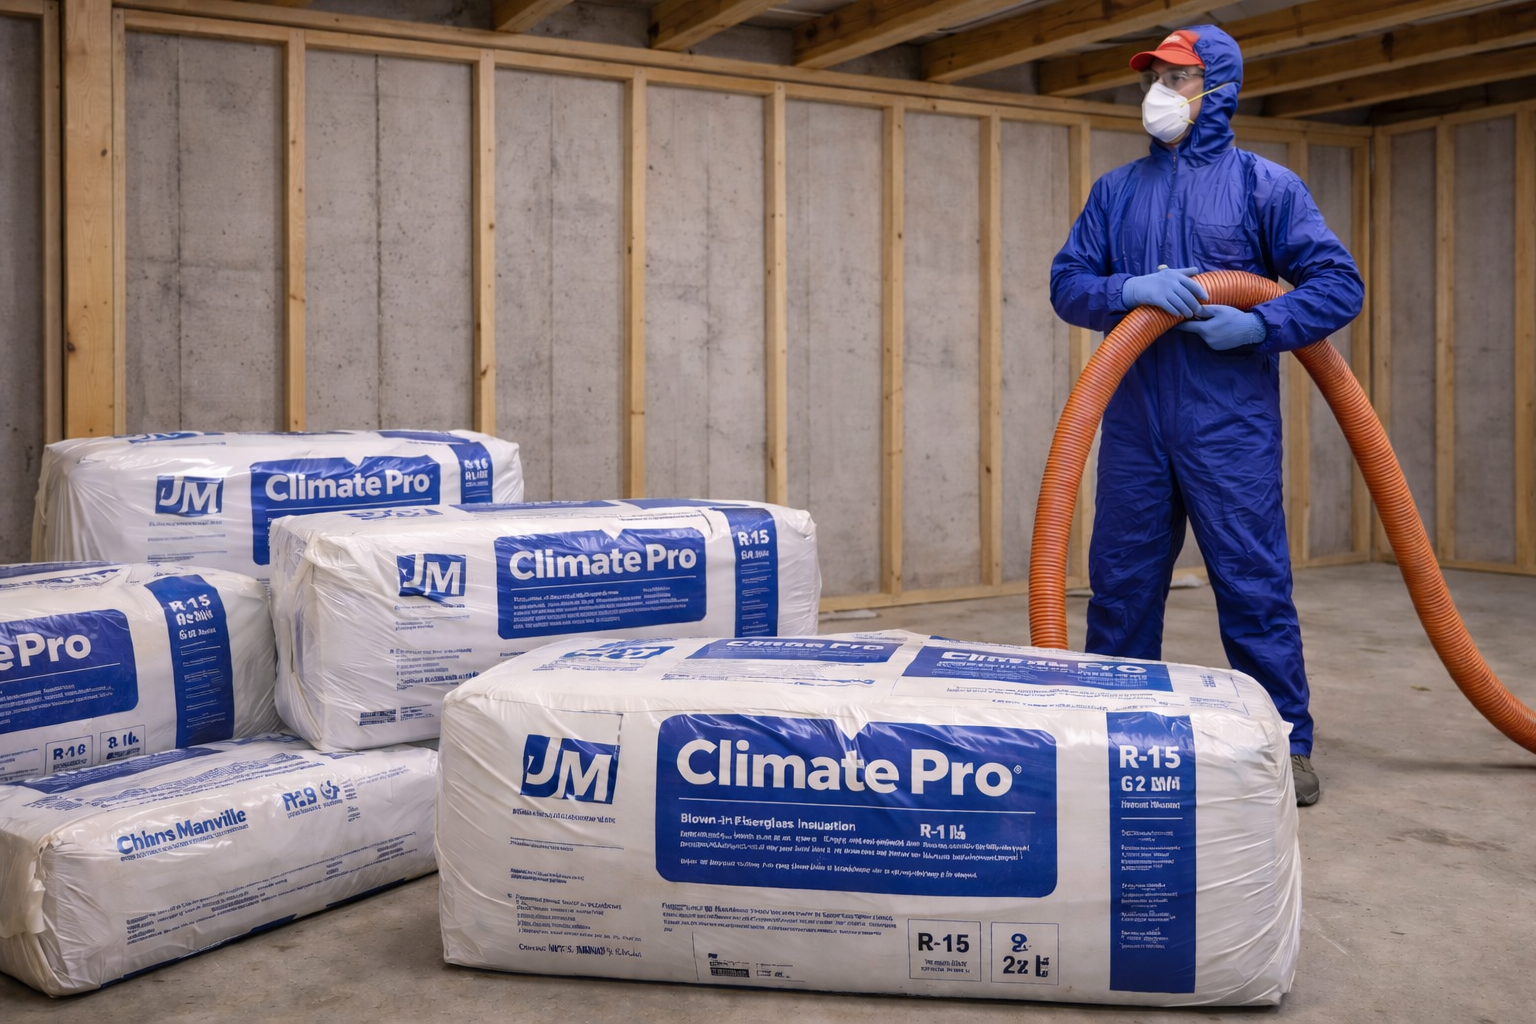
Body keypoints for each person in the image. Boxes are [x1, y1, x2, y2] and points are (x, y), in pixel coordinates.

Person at [1049, 25, 1363, 806]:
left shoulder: (1266, 185)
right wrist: (1125, 292)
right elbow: (1068, 282)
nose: (1158, 91)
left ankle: (1282, 746)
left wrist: (1263, 323)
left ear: (1218, 88)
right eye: (1153, 76)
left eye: (1176, 77)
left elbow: (1337, 284)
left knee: (1252, 585)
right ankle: (1107, 736)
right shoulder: (1116, 191)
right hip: (1135, 423)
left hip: (1230, 428)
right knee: (1121, 585)